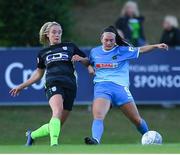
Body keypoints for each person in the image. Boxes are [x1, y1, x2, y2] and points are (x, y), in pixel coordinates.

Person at [84, 25, 168, 145]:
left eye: (111, 40)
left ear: (115, 40)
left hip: (120, 88)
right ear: (101, 39)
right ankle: (95, 140)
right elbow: (89, 62)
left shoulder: (122, 50)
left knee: (136, 120)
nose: (108, 42)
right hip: (102, 87)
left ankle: (150, 138)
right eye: (106, 40)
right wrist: (89, 67)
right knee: (98, 115)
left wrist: (156, 46)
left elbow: (141, 50)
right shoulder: (95, 51)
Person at [9, 21, 89, 146]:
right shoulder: (42, 53)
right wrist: (21, 86)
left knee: (56, 124)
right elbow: (38, 74)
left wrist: (81, 59)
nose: (57, 34)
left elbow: (87, 61)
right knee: (57, 111)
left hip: (70, 86)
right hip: (53, 84)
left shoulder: (70, 47)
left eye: (59, 32)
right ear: (47, 34)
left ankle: (32, 135)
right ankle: (54, 145)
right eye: (54, 32)